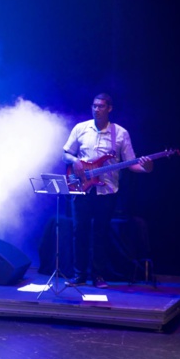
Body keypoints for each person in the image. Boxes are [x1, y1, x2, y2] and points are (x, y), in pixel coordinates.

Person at [62, 93, 153, 288]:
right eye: (94, 106)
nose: (96, 109)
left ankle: (98, 276)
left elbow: (131, 163)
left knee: (101, 233)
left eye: (101, 106)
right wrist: (75, 161)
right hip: (82, 187)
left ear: (109, 108)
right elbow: (66, 154)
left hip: (107, 191)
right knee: (80, 231)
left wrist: (146, 167)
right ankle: (79, 274)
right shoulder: (80, 128)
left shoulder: (120, 133)